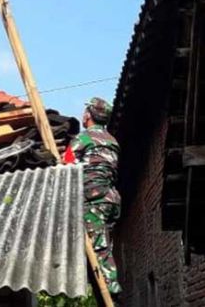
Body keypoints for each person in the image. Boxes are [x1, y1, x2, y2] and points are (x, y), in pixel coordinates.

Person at [63, 97, 122, 295]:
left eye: (85, 110)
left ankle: (111, 289)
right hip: (111, 200)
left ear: (89, 114)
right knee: (104, 243)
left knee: (100, 247)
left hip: (94, 200)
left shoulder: (84, 138)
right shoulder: (112, 140)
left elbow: (67, 164)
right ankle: (102, 284)